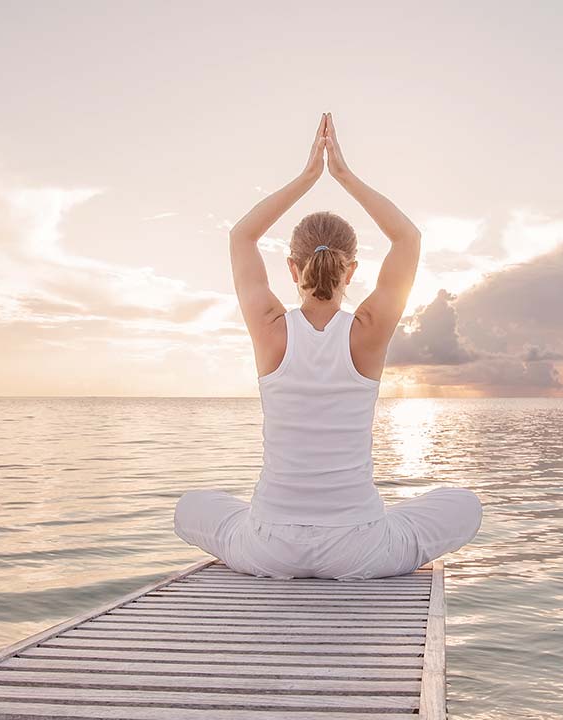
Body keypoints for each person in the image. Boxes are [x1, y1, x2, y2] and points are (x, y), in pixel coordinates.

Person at [173, 112, 482, 580]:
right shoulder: (368, 330)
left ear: (292, 269)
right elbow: (408, 238)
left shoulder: (270, 328)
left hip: (269, 545)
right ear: (351, 271)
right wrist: (343, 175)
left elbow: (242, 236)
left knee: (191, 506)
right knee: (464, 504)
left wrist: (308, 176)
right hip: (360, 547)